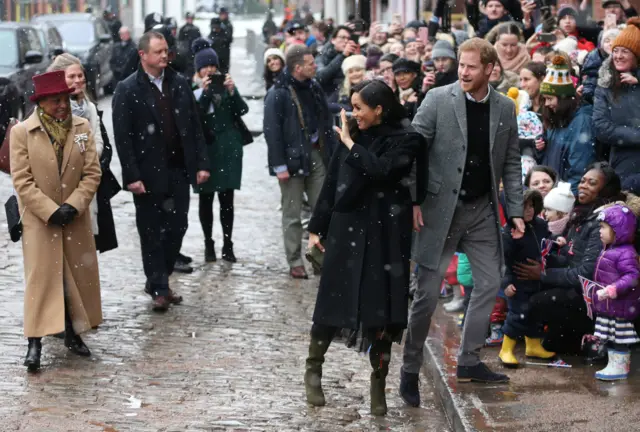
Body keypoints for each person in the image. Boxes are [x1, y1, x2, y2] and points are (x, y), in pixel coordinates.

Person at [401, 38, 524, 405]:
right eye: (461, 65)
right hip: (439, 210)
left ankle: (469, 361)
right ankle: (409, 369)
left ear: (491, 69)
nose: (463, 72)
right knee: (425, 297)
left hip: (482, 209)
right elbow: (413, 149)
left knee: (489, 283)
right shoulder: (438, 99)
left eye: (471, 66)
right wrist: (414, 200)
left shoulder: (504, 107)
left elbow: (512, 161)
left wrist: (515, 209)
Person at [304, 80, 424, 416]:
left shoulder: (408, 138)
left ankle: (378, 384)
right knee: (332, 302)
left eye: (359, 108)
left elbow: (383, 171)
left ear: (380, 109)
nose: (353, 114)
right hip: (347, 227)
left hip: (388, 232)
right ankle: (313, 368)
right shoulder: (352, 133)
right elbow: (333, 182)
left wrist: (349, 143)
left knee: (381, 311)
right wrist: (317, 227)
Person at [112, 31, 210, 311]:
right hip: (147, 174)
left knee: (178, 227)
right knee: (151, 231)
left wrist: (202, 163)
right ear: (143, 55)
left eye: (166, 50)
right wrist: (131, 176)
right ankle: (158, 286)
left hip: (178, 170)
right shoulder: (128, 89)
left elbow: (194, 127)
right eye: (158, 51)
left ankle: (160, 279)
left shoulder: (178, 84)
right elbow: (123, 137)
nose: (165, 55)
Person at [11, 70, 102, 371]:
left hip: (74, 218)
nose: (62, 105)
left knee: (73, 277)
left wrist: (74, 205)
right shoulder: (22, 132)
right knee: (40, 280)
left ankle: (74, 333)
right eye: (55, 101)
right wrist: (50, 210)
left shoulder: (82, 127)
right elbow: (22, 181)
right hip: (40, 220)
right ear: (41, 103)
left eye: (64, 99)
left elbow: (92, 173)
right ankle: (34, 341)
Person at [516, 163, 628, 355]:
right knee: (523, 286)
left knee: (538, 301)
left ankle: (585, 336)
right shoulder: (582, 214)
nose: (583, 186)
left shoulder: (606, 222)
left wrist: (543, 274)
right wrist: (544, 260)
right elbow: (569, 258)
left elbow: (587, 274)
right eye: (583, 181)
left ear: (606, 190)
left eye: (592, 183)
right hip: (577, 290)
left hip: (596, 299)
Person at [263, 45, 336, 279]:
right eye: (310, 63)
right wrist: (279, 166)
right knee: (292, 213)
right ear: (298, 68)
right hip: (291, 160)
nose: (315, 66)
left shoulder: (313, 87)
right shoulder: (278, 93)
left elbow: (325, 120)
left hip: (316, 155)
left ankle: (319, 258)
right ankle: (294, 260)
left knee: (322, 210)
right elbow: (272, 132)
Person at [48, 53, 119, 253]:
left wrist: (90, 164)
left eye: (80, 76)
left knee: (84, 250)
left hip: (89, 190)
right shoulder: (50, 111)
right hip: (60, 190)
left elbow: (102, 147)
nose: (78, 80)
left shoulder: (90, 109)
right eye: (72, 76)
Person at [191, 39, 248, 263]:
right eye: (205, 67)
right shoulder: (192, 88)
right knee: (205, 200)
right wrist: (204, 92)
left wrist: (232, 92)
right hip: (205, 151)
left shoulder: (225, 84)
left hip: (228, 150)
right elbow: (194, 117)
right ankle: (208, 243)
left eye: (213, 66)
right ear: (198, 69)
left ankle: (228, 243)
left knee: (227, 200)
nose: (210, 70)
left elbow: (242, 109)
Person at [499, 189, 555, 367]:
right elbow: (502, 260)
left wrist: (556, 241)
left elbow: (547, 240)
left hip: (537, 279)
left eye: (532, 205)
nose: (529, 210)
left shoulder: (538, 224)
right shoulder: (508, 231)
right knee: (517, 315)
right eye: (524, 206)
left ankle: (533, 345)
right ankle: (506, 349)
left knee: (535, 314)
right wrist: (506, 283)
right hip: (518, 282)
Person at [591, 204, 640, 380]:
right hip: (609, 305)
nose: (600, 232)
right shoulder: (610, 250)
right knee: (610, 336)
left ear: (619, 230)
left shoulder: (625, 253)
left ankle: (619, 367)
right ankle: (613, 364)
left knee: (618, 337)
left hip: (620, 305)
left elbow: (632, 276)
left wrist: (614, 289)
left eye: (603, 227)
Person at [593, 19, 640, 194]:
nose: (618, 56)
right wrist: (637, 135)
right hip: (623, 166)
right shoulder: (605, 87)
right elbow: (602, 128)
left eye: (625, 51)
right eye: (615, 51)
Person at [539, 56, 595, 194]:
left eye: (550, 99)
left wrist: (567, 200)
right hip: (555, 194)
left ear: (563, 98)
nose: (546, 104)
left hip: (566, 196)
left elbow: (579, 168)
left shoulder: (582, 122)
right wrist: (540, 148)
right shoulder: (557, 117)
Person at [178, 12, 203, 79]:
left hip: (194, 53)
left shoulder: (196, 29)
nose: (190, 20)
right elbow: (180, 42)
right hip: (185, 55)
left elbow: (199, 40)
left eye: (191, 18)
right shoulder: (183, 29)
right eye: (188, 18)